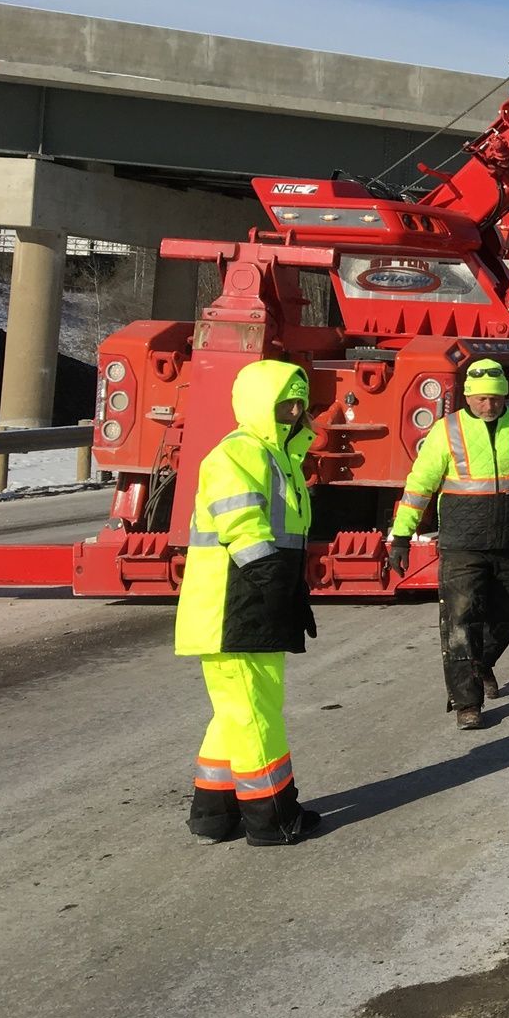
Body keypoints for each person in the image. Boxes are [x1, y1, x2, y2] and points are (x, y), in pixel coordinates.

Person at [176, 359, 321, 846]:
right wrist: (277, 586)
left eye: (299, 403)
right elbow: (243, 530)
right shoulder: (239, 454)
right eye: (285, 404)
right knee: (255, 713)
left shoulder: (279, 459)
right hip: (234, 606)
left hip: (248, 602)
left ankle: (214, 813)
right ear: (261, 404)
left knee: (238, 711)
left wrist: (289, 591)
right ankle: (273, 817)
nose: (295, 412)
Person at [387, 360, 509, 730]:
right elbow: (419, 487)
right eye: (482, 398)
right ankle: (467, 703)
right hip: (462, 544)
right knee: (460, 622)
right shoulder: (447, 431)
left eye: (496, 398)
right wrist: (402, 537)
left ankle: (480, 664)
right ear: (468, 397)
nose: (489, 405)